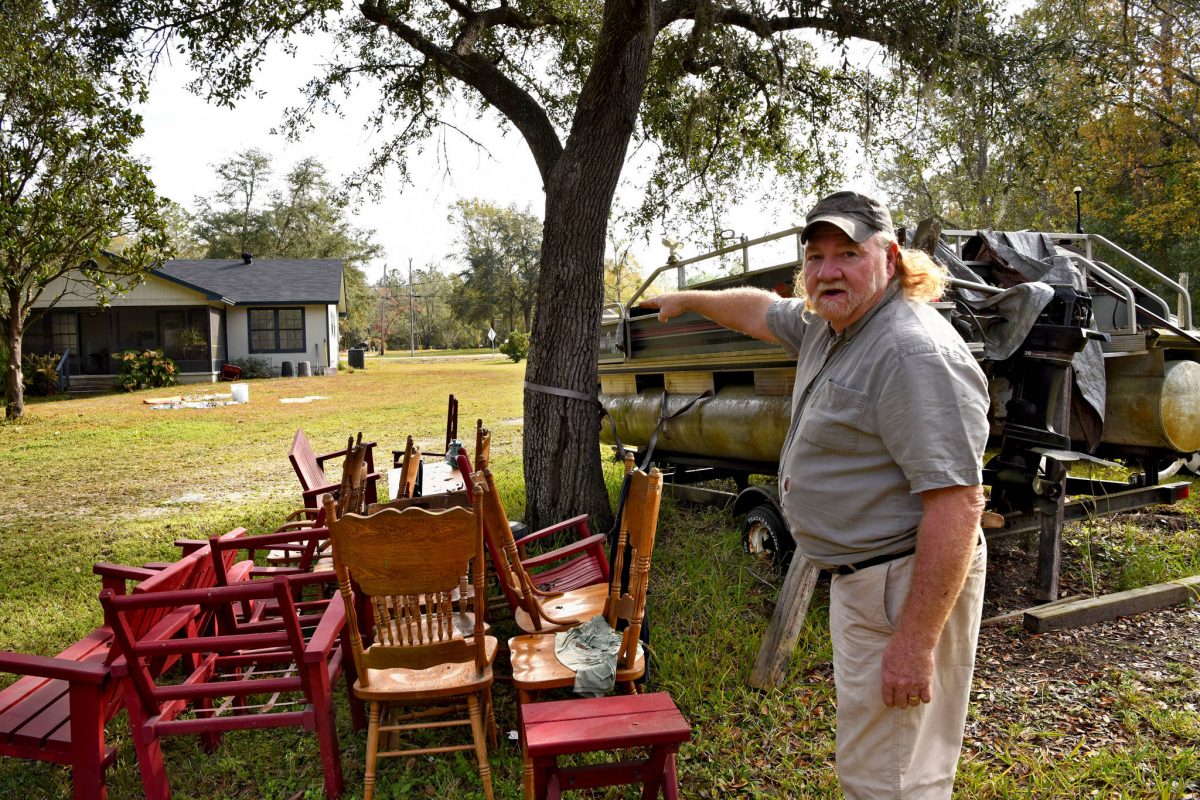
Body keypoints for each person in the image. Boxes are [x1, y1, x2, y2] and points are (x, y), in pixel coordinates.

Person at [640, 191, 989, 798]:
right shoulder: (834, 326)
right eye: (816, 255)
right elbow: (758, 310)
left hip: (902, 584)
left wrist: (914, 643)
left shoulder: (911, 351)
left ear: (891, 257)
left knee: (894, 776)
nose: (828, 269)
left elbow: (957, 504)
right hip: (865, 581)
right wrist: (687, 298)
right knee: (873, 760)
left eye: (848, 253)